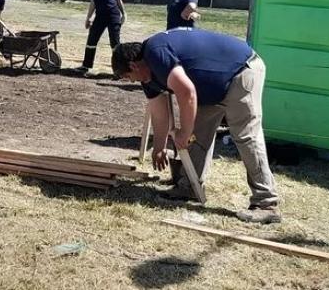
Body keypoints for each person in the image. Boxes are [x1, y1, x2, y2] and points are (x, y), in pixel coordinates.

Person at [111, 29, 282, 224]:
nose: (131, 81)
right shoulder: (147, 76)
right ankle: (189, 186)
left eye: (127, 76)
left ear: (133, 65)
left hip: (240, 71)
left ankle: (266, 202)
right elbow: (160, 115)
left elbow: (187, 92)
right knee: (198, 134)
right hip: (213, 86)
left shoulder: (156, 53)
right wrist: (159, 147)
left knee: (246, 137)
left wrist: (184, 132)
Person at [77, 0, 125, 74]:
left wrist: (124, 13)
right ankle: (86, 65)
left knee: (115, 42)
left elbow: (119, 0)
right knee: (92, 39)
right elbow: (93, 3)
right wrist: (88, 18)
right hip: (100, 17)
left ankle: (118, 70)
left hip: (113, 16)